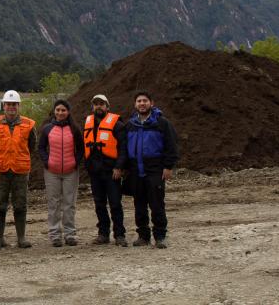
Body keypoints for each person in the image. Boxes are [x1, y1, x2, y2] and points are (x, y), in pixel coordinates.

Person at [126, 91, 179, 248]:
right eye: (139, 101)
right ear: (135, 105)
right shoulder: (131, 125)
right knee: (139, 204)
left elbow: (172, 145)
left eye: (145, 101)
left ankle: (160, 236)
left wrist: (168, 167)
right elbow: (124, 147)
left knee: (156, 204)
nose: (142, 103)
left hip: (155, 168)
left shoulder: (161, 123)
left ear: (151, 103)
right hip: (136, 170)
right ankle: (143, 236)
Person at [0, 90, 36, 249]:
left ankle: (21, 238)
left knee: (20, 204)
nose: (11, 107)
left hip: (20, 170)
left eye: (14, 104)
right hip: (1, 171)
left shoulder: (29, 125)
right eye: (8, 104)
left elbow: (32, 147)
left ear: (19, 106)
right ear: (3, 105)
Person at [83, 94, 129, 247]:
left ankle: (120, 234)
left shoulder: (117, 124)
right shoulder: (88, 122)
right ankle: (103, 233)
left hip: (111, 171)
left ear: (107, 107)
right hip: (95, 171)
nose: (98, 106)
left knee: (115, 203)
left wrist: (119, 167)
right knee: (99, 204)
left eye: (101, 104)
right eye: (96, 104)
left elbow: (123, 148)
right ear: (92, 107)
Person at [38, 99, 84, 247]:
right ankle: (55, 235)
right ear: (54, 111)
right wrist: (47, 162)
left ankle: (70, 234)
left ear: (68, 112)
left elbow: (81, 149)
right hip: (52, 171)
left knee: (69, 204)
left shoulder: (75, 129)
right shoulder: (47, 129)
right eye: (58, 110)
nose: (60, 112)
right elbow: (41, 147)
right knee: (54, 203)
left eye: (63, 110)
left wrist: (76, 162)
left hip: (71, 171)